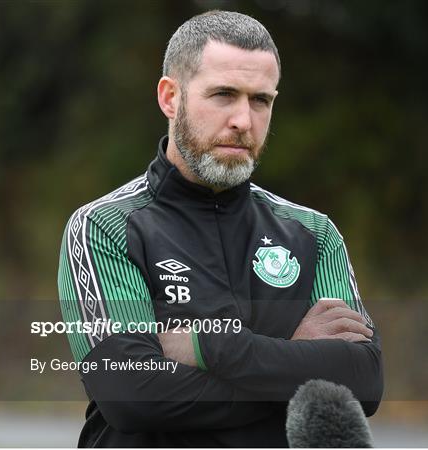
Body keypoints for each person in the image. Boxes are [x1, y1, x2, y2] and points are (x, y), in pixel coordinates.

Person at [58, 10, 383, 447]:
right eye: (224, 95)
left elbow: (363, 382)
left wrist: (204, 348)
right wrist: (294, 352)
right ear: (170, 98)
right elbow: (132, 395)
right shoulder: (106, 226)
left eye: (260, 100)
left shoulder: (313, 233)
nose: (244, 121)